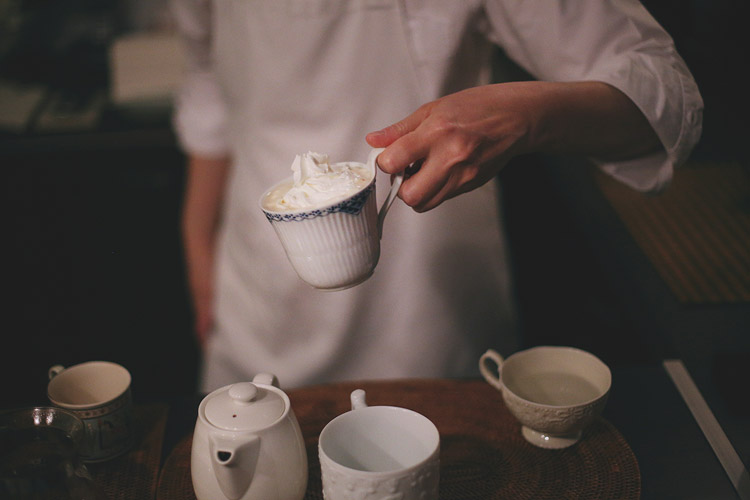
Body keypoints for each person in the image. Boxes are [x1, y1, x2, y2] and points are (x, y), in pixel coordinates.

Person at [171, 0, 702, 391]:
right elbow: (209, 80)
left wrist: (523, 115)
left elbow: (663, 97)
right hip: (256, 293)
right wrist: (197, 239)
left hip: (424, 310)